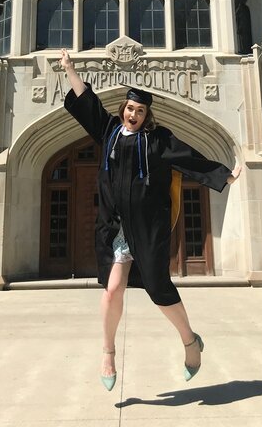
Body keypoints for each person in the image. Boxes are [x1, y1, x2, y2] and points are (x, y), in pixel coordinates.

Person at [59, 48, 242, 390]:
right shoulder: (110, 132)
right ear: (123, 110)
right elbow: (88, 104)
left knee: (158, 289)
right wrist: (70, 70)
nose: (134, 115)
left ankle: (190, 341)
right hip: (116, 229)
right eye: (130, 109)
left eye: (140, 111)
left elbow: (188, 157)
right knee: (112, 291)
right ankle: (108, 354)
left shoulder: (157, 141)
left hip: (148, 229)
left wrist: (223, 176)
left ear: (146, 116)